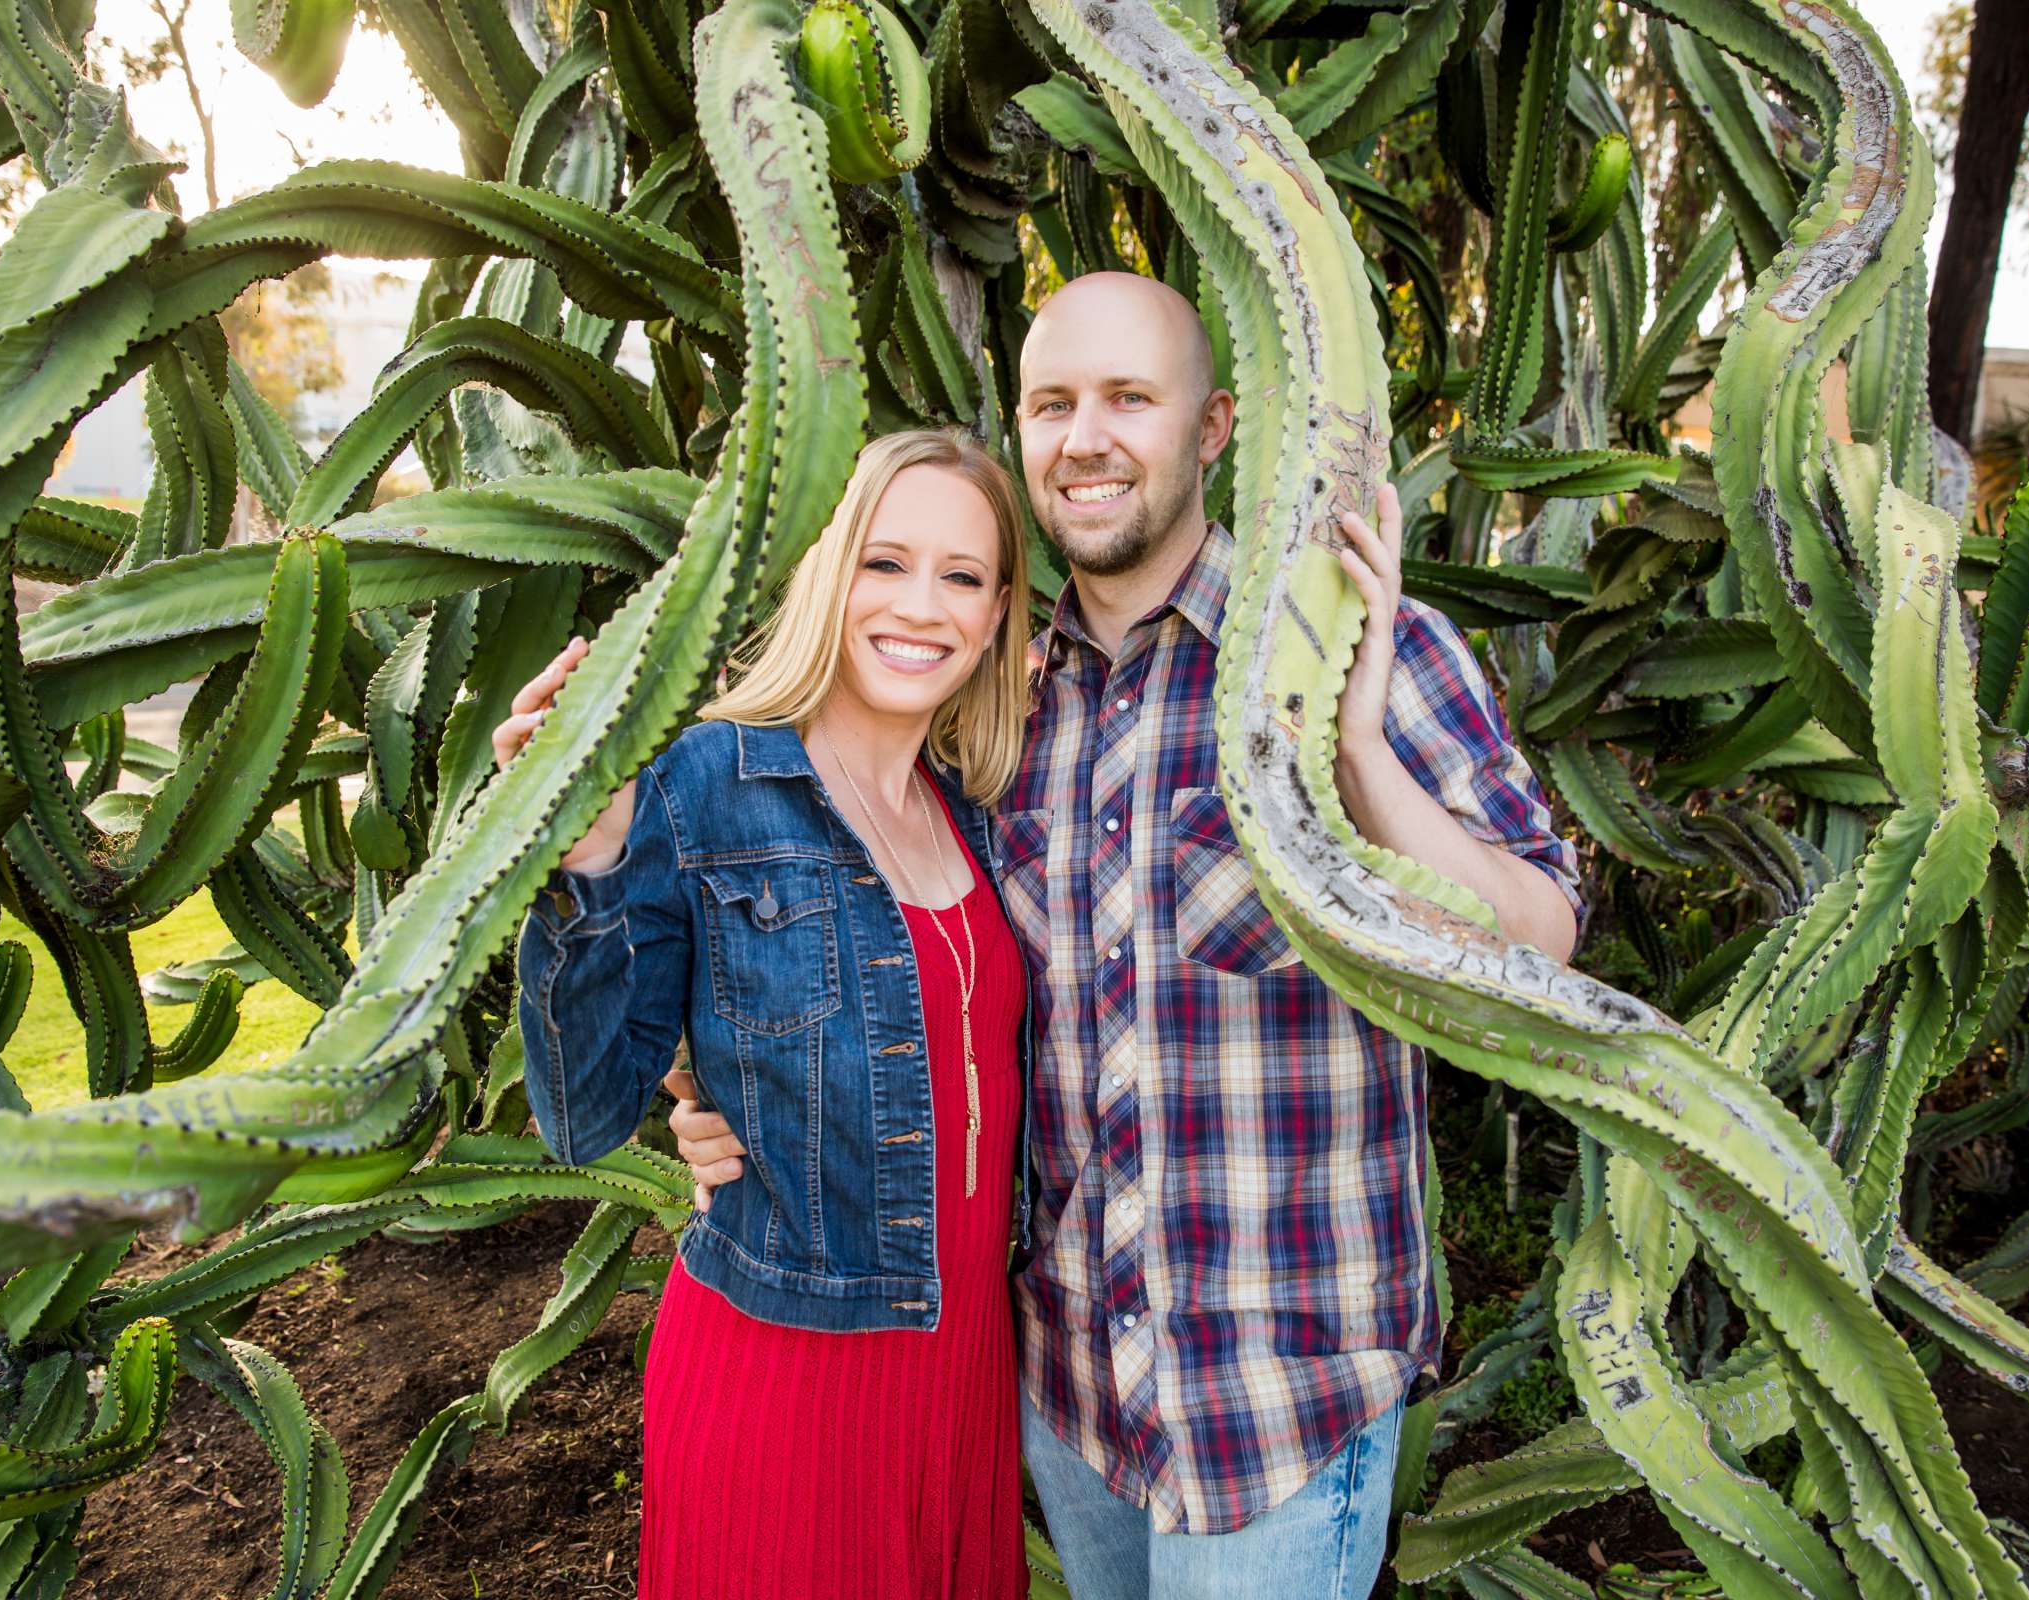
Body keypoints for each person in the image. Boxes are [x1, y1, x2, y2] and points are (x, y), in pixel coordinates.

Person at [673, 272, 1584, 1599]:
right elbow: (856, 941)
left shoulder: (1352, 644)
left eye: (1129, 399)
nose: (1085, 437)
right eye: (1053, 403)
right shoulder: (990, 701)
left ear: (1212, 428)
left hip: (1279, 1395)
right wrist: (705, 1096)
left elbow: (1540, 945)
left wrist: (1355, 750)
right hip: (1070, 1389)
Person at [498, 428, 1040, 1599]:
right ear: (828, 573)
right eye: (885, 563)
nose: (920, 606)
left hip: (960, 1371)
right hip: (791, 1377)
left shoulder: (977, 815)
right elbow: (582, 1112)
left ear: (998, 615)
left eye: (961, 575)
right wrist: (586, 864)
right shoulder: (706, 782)